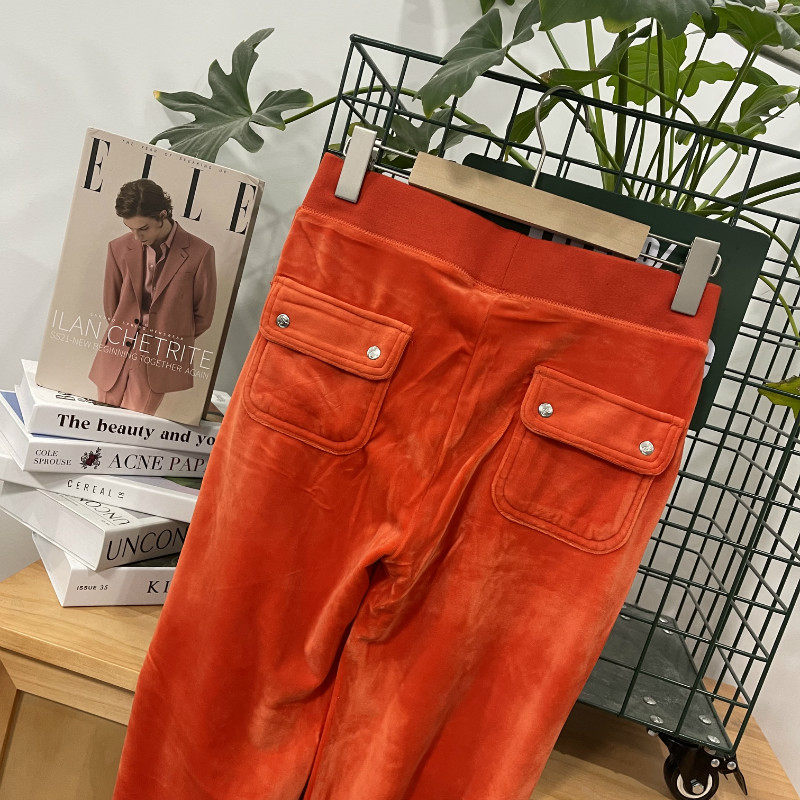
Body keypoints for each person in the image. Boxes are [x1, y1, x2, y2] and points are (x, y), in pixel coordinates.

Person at [88, 179, 217, 415]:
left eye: (143, 228)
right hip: (117, 347)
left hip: (159, 356)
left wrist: (167, 336)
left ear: (162, 215)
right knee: (100, 418)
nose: (136, 237)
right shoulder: (118, 247)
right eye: (130, 229)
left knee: (134, 423)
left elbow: (203, 316)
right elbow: (111, 305)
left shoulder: (200, 253)